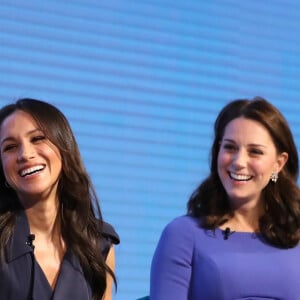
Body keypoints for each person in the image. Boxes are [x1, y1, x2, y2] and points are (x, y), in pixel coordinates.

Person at [150, 97, 300, 299]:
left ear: (278, 164)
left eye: (255, 152)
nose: (239, 162)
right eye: (230, 147)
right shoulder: (182, 235)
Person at [0, 98, 120, 300]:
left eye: (37, 139)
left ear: (64, 148)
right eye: (10, 147)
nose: (25, 154)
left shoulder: (98, 242)